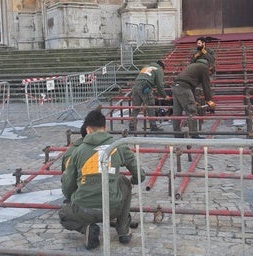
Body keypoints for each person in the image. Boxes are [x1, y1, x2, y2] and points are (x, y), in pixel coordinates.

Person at [59, 109, 145, 250]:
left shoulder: (77, 152)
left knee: (63, 214)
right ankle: (123, 230)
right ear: (105, 128)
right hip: (112, 209)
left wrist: (73, 198)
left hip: (83, 210)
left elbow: (68, 187)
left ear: (87, 130)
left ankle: (87, 228)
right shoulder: (119, 147)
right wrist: (134, 180)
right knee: (123, 181)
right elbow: (140, 175)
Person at [171, 58, 216, 139]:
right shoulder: (204, 68)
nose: (208, 75)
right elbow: (206, 85)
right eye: (209, 74)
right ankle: (194, 134)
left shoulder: (192, 66)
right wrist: (209, 100)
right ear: (209, 68)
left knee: (177, 112)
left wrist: (195, 100)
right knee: (192, 110)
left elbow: (191, 88)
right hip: (184, 87)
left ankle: (177, 133)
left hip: (176, 87)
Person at [129, 60, 171, 132]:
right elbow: (160, 85)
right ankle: (153, 126)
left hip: (135, 87)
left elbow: (141, 79)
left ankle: (132, 126)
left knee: (136, 108)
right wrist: (164, 96)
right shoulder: (158, 70)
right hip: (145, 87)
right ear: (161, 67)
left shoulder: (146, 67)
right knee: (150, 106)